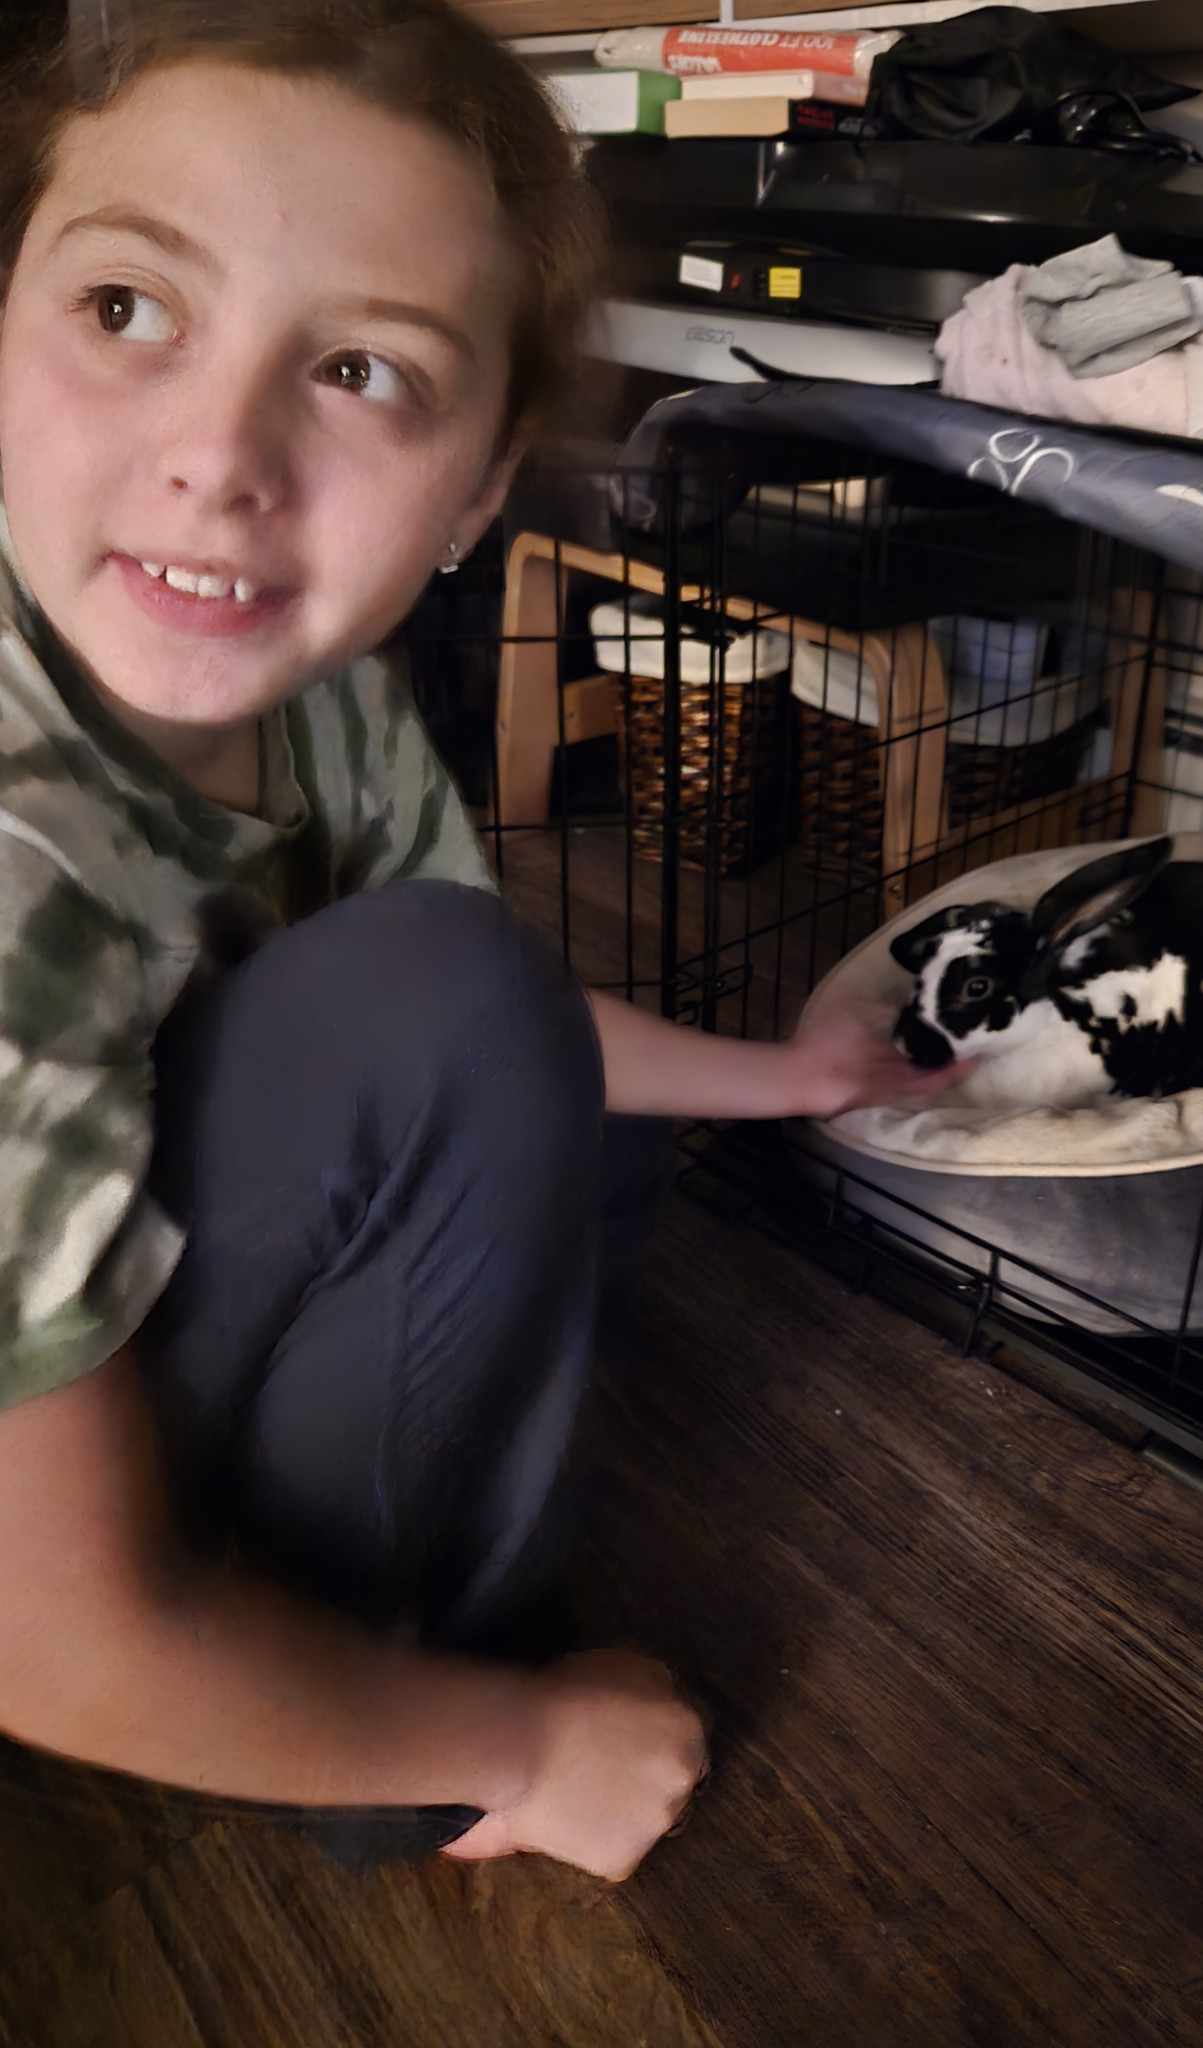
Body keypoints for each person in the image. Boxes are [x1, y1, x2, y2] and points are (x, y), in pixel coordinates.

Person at [0, 0, 951, 1880]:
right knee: (452, 1006)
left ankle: (332, 1607)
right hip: (41, 1586)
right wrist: (523, 1743)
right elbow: (39, 1637)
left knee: (550, 1072)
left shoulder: (323, 696)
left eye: (361, 370)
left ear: (485, 487)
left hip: (126, 1305)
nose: (219, 457)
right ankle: (399, 1758)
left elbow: (503, 1028)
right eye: (126, 307)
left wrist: (791, 1078)